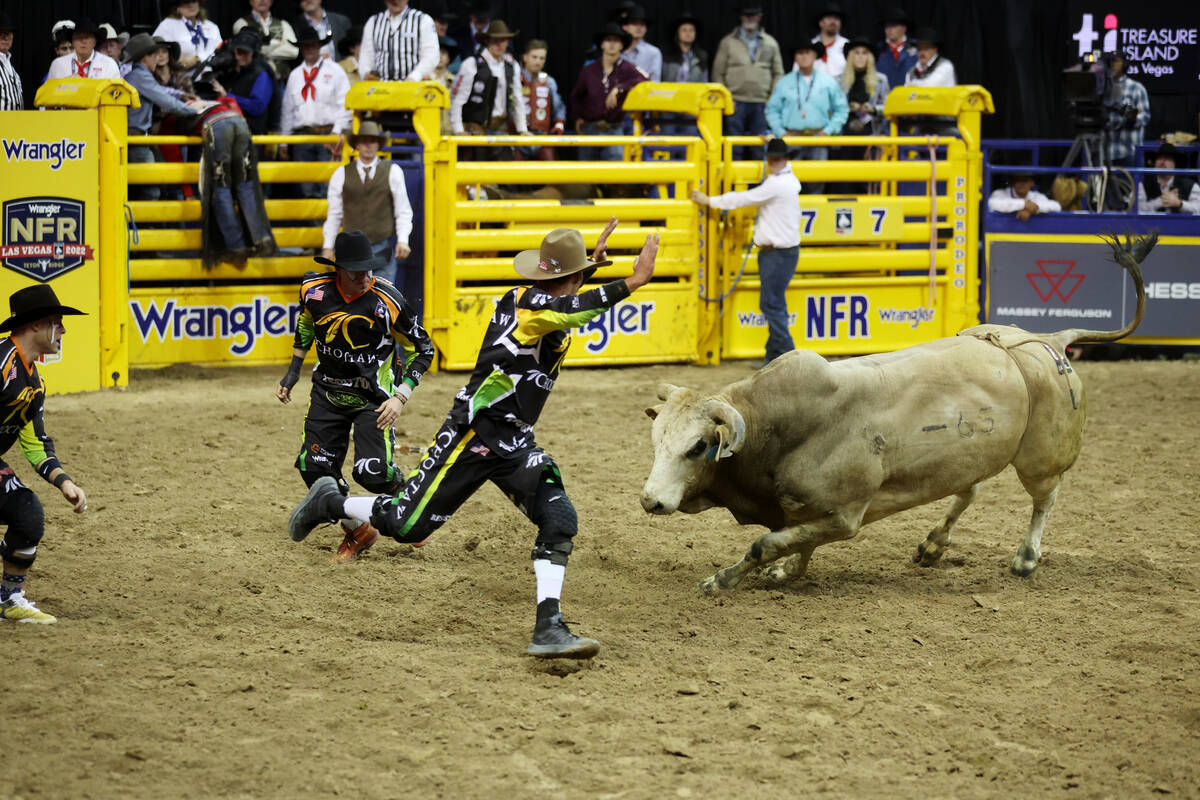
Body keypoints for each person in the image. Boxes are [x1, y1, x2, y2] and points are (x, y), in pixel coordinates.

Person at [288, 221, 660, 658]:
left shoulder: (531, 298)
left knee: (559, 519)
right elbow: (568, 308)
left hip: (513, 440)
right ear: (571, 280)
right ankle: (330, 503)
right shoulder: (537, 308)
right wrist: (631, 282)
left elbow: (564, 300)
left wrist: (590, 270)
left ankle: (549, 628)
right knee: (408, 525)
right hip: (473, 434)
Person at [277, 229, 435, 564]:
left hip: (374, 399)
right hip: (328, 393)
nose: (365, 277)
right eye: (356, 272)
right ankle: (358, 530)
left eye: (369, 270)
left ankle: (406, 499)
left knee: (371, 473)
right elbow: (307, 324)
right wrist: (293, 371)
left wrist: (400, 396)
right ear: (338, 271)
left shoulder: (387, 300)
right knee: (314, 469)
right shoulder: (312, 290)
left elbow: (424, 349)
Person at [0, 285, 88, 624]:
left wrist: (64, 482)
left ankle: (9, 598)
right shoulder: (2, 363)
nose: (63, 330)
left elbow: (35, 443)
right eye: (57, 321)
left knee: (28, 514)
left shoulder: (33, 383)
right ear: (35, 325)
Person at [690, 138, 800, 366]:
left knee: (771, 303)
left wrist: (709, 200)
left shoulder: (777, 184)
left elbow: (743, 198)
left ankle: (789, 356)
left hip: (777, 254)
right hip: (781, 252)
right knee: (773, 302)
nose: (772, 163)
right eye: (771, 158)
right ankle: (776, 356)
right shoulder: (787, 179)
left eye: (774, 159)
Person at [322, 122, 415, 299]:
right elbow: (334, 214)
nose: (368, 145)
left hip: (382, 248)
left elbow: (403, 209)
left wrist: (403, 240)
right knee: (353, 301)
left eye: (372, 141)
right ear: (357, 144)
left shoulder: (393, 172)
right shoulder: (341, 174)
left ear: (378, 145)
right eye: (364, 141)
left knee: (383, 301)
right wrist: (328, 246)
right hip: (351, 253)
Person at [185, 87, 276, 267]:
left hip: (216, 127)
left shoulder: (175, 114)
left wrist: (187, 190)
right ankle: (261, 239)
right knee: (245, 184)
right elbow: (234, 106)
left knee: (221, 187)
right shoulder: (216, 101)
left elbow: (172, 153)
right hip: (238, 122)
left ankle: (236, 246)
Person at [279, 24, 352, 199]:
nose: (310, 49)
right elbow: (287, 110)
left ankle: (327, 225)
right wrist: (283, 141)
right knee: (306, 189)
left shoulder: (335, 71)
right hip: (302, 137)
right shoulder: (295, 76)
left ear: (320, 47)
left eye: (313, 45)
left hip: (328, 135)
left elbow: (346, 104)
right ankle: (312, 225)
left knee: (328, 186)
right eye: (305, 46)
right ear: (301, 49)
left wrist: (336, 133)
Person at [765, 41, 848, 194]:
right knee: (789, 181)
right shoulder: (785, 82)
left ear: (815, 55)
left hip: (818, 137)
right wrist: (780, 132)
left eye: (808, 52)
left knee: (817, 182)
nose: (804, 57)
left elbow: (842, 109)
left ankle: (816, 215)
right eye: (800, 53)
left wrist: (829, 130)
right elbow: (772, 109)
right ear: (795, 57)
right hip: (792, 138)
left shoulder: (827, 81)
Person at [125, 34, 198, 201]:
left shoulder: (138, 76)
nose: (157, 58)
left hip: (138, 138)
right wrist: (194, 111)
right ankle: (146, 226)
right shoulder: (140, 76)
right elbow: (166, 102)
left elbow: (162, 94)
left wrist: (182, 99)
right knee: (151, 190)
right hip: (136, 139)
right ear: (145, 58)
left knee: (149, 186)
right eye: (154, 55)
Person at [712, 5, 784, 161]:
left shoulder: (770, 42)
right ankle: (731, 184)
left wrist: (772, 98)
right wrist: (726, 99)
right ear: (741, 17)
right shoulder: (728, 42)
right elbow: (718, 73)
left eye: (754, 15)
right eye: (746, 15)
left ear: (760, 16)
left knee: (760, 147)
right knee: (733, 147)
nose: (750, 18)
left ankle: (760, 184)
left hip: (761, 103)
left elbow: (778, 73)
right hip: (735, 102)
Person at [450, 19, 528, 160]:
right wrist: (459, 130)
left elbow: (517, 99)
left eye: (503, 40)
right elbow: (457, 99)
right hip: (476, 129)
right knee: (477, 175)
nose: (499, 44)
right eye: (495, 40)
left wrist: (522, 129)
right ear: (487, 41)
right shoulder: (471, 64)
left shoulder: (512, 66)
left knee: (504, 175)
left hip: (501, 128)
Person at [569, 23, 648, 162]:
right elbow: (576, 96)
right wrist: (577, 118)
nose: (612, 44)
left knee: (614, 175)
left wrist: (620, 88)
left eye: (616, 40)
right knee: (586, 176)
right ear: (601, 44)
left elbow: (645, 80)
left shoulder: (627, 68)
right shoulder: (589, 70)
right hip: (590, 128)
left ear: (622, 45)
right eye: (608, 40)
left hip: (614, 128)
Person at [360, 0, 438, 83]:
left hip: (413, 86)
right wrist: (366, 72)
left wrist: (415, 76)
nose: (395, 1)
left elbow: (431, 55)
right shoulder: (373, 22)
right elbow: (366, 56)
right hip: (381, 88)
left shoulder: (422, 20)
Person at [659, 12, 708, 134]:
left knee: (690, 144)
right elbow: (660, 79)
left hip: (691, 106)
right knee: (668, 143)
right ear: (678, 33)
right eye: (684, 30)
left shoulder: (702, 56)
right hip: (669, 105)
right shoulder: (665, 55)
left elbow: (704, 82)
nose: (688, 33)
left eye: (691, 30)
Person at [518, 39, 566, 160]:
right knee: (516, 176)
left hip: (543, 137)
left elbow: (559, 106)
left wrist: (559, 124)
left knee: (548, 176)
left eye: (542, 58)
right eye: (534, 57)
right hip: (518, 137)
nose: (538, 62)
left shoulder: (549, 82)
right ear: (525, 57)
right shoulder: (515, 79)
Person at [221, 28, 274, 136]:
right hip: (229, 133)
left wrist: (226, 96)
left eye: (245, 52)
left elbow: (256, 107)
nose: (240, 56)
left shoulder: (261, 74)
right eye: (239, 52)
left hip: (253, 135)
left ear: (253, 53)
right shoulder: (228, 72)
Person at [1105, 51, 1150, 170]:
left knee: (1130, 188)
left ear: (1124, 64)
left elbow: (1145, 116)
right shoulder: (1102, 88)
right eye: (1110, 61)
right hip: (1105, 152)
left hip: (1128, 151)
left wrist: (1132, 120)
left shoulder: (1136, 88)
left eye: (1115, 61)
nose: (1112, 64)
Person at [232, 0, 299, 81]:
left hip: (280, 81)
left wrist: (264, 51)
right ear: (251, 1)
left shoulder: (283, 24)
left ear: (271, 1)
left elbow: (294, 51)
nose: (262, 0)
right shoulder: (242, 24)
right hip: (253, 81)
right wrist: (278, 44)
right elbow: (250, 50)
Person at [841, 37, 890, 136]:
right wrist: (847, 108)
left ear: (870, 57)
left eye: (864, 53)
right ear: (850, 56)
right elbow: (831, 109)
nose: (860, 57)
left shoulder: (880, 80)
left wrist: (873, 109)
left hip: (871, 133)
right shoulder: (838, 81)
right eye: (856, 53)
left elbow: (888, 107)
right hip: (844, 134)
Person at [45, 19, 122, 81]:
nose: (83, 41)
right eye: (79, 37)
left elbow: (114, 95)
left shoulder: (108, 64)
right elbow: (49, 94)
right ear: (73, 41)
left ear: (95, 42)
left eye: (87, 37)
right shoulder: (58, 65)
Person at [153, 0, 221, 69]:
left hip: (210, 75)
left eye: (194, 1)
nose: (191, 5)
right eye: (186, 2)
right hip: (179, 75)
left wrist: (197, 59)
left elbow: (219, 51)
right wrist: (173, 60)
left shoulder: (212, 27)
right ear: (178, 6)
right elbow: (155, 51)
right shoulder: (167, 25)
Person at [1137, 142, 1199, 214]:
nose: (1162, 162)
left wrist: (1180, 204)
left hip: (1181, 224)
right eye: (1159, 158)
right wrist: (1159, 202)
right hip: (1151, 225)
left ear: (1174, 163)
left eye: (1167, 158)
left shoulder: (1190, 185)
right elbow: (1134, 208)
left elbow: (1198, 207)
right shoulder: (1143, 185)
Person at [987, 172, 1062, 220]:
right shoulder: (1000, 193)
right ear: (1013, 183)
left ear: (1032, 183)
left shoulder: (1037, 196)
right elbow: (992, 204)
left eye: (1025, 180)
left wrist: (1034, 208)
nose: (1021, 184)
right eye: (1018, 180)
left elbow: (1057, 206)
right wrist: (1023, 204)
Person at [875, 6, 916, 92]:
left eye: (893, 26)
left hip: (910, 98)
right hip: (884, 100)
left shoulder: (917, 48)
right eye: (887, 26)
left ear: (904, 28)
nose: (889, 30)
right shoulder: (877, 50)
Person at [619, 4, 662, 82]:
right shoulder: (617, 49)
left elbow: (655, 82)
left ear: (646, 29)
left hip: (643, 92)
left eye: (642, 24)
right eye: (634, 23)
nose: (639, 28)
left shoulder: (653, 52)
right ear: (625, 27)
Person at [811, 3, 849, 80]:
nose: (833, 22)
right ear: (821, 23)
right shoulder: (810, 46)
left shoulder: (848, 45)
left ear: (840, 24)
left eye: (836, 18)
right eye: (829, 18)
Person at [0, 13, 23, 110]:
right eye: (1, 33)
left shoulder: (12, 69)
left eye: (8, 33)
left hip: (16, 123)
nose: (5, 37)